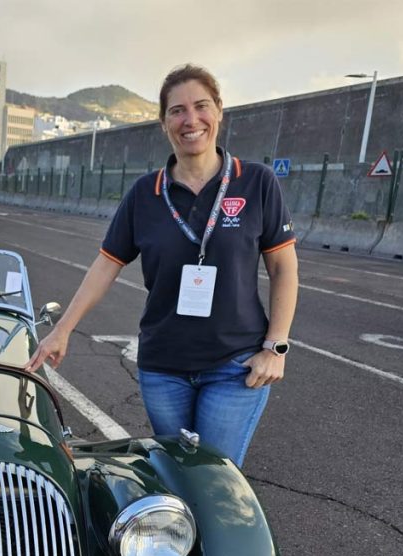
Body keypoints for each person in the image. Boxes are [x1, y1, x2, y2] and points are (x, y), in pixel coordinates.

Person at [26, 64, 298, 467]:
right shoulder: (146, 193)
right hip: (163, 370)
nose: (191, 120)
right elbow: (106, 264)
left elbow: (284, 269)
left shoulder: (254, 182)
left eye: (201, 106)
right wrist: (62, 331)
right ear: (163, 123)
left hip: (235, 367)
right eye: (177, 111)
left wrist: (275, 347)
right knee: (174, 475)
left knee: (214, 480)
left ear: (219, 111)